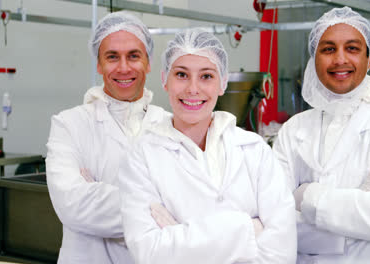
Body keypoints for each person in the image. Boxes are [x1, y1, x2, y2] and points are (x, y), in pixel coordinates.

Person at [118, 29, 297, 264]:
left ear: (222, 83)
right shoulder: (142, 157)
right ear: (165, 80)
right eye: (181, 74)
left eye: (206, 76)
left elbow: (282, 254)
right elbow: (151, 252)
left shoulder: (255, 150)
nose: (193, 89)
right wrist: (246, 229)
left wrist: (180, 236)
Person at [273, 7, 370, 264]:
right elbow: (275, 222)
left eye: (352, 48)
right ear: (315, 59)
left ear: (368, 59)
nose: (340, 59)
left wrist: (307, 195)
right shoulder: (293, 130)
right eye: (328, 49)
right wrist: (357, 215)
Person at [46, 11, 168, 263]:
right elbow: (74, 206)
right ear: (99, 64)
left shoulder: (170, 126)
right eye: (112, 57)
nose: (123, 68)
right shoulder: (69, 124)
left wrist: (97, 192)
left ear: (148, 62)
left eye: (134, 56)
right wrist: (159, 209)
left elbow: (191, 204)